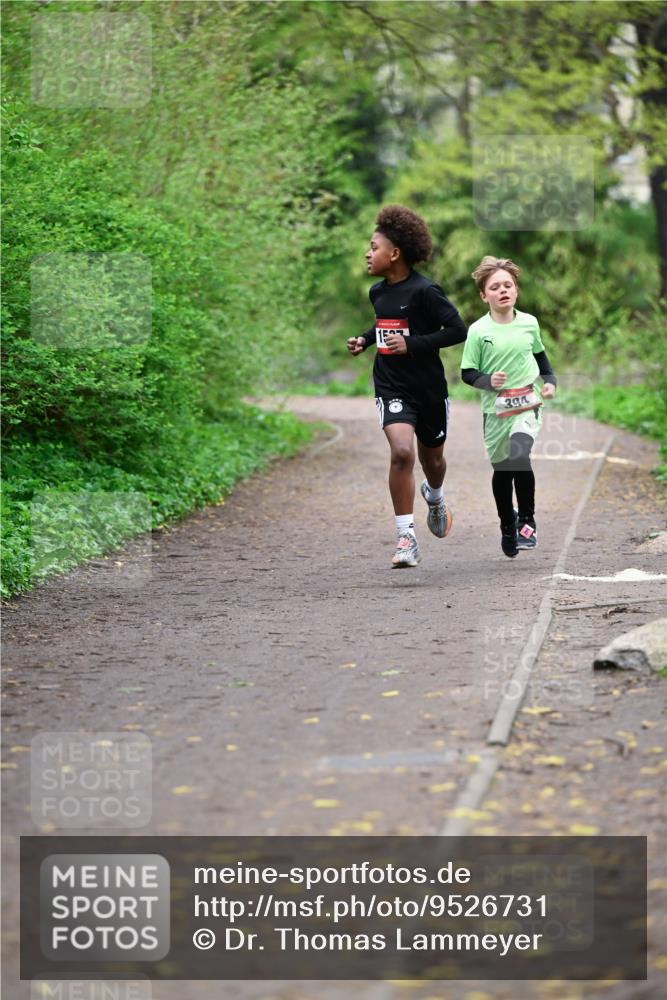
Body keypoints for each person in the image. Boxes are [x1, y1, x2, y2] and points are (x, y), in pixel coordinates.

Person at [347, 205, 467, 567]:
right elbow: (385, 325)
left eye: (373, 247)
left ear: (394, 253)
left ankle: (435, 495)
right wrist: (366, 340)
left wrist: (413, 343)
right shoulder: (377, 292)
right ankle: (406, 537)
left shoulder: (426, 291)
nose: (368, 254)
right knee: (401, 453)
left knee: (433, 459)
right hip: (391, 384)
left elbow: (457, 330)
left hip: (429, 389)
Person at [461, 256, 557, 558]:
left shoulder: (529, 323)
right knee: (503, 472)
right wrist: (489, 381)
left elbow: (541, 356)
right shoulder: (478, 331)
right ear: (483, 295)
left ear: (515, 290)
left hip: (527, 403)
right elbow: (467, 373)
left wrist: (550, 381)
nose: (503, 290)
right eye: (495, 287)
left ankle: (527, 521)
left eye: (508, 285)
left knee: (520, 453)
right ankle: (507, 523)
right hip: (495, 411)